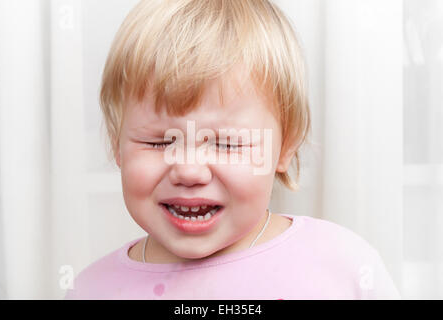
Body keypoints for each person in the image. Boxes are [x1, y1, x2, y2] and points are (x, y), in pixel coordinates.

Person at [65, 0, 400, 299]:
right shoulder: (91, 290)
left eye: (226, 143)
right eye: (160, 142)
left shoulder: (342, 266)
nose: (189, 171)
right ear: (116, 144)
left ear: (285, 145)